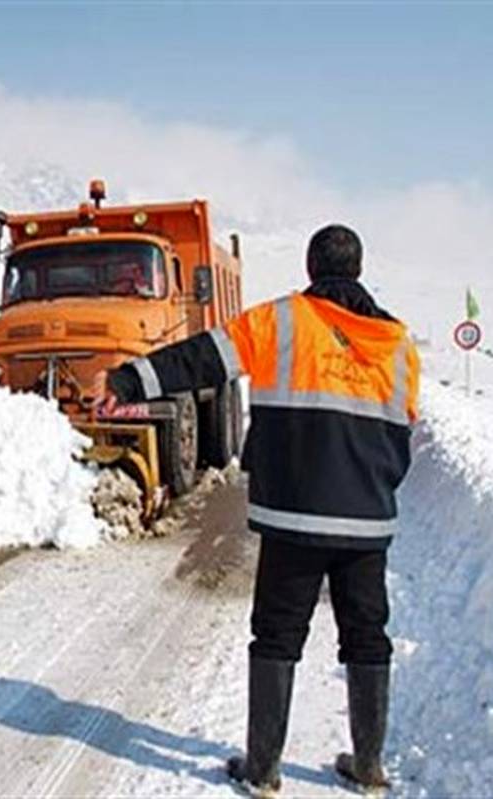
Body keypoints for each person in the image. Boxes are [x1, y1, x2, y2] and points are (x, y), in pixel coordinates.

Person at [94, 225, 419, 797]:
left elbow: (201, 360)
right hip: (368, 520)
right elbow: (402, 428)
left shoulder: (283, 322)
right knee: (368, 637)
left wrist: (129, 378)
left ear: (311, 267)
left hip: (295, 516)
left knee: (276, 637)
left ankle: (264, 772)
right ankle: (369, 767)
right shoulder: (398, 343)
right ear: (359, 270)